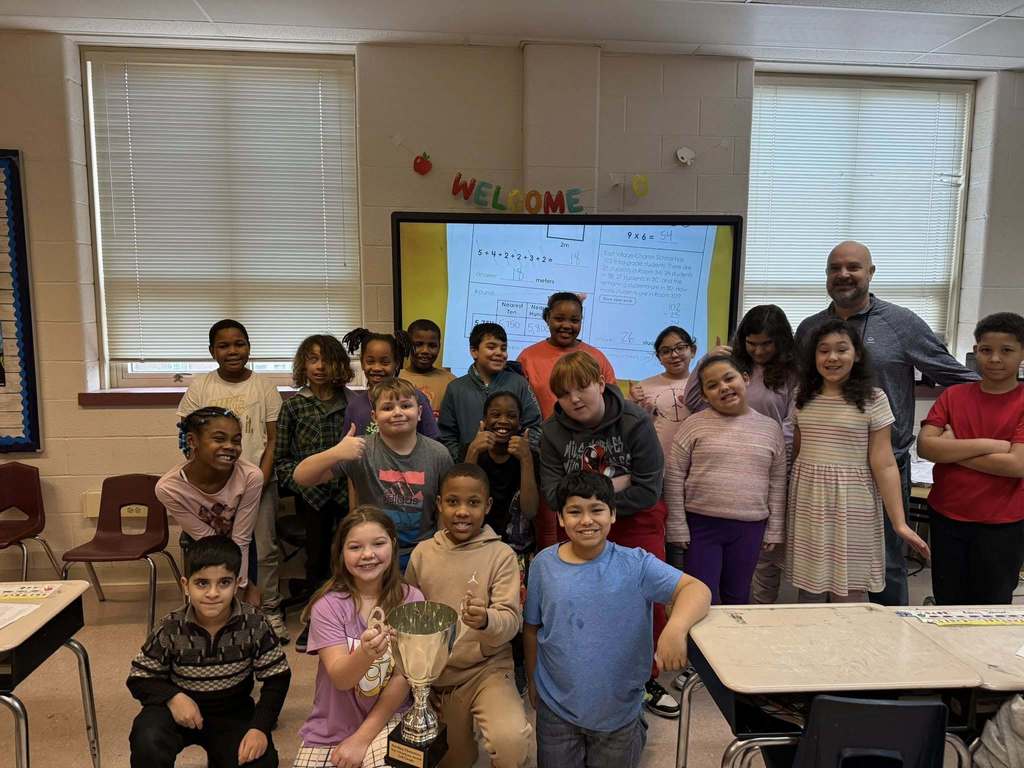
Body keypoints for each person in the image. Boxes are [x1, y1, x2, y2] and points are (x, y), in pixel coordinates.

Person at [795, 241, 978, 606]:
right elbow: (796, 387)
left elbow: (957, 377)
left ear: (871, 272)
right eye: (835, 268)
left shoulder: (901, 323)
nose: (843, 274)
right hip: (820, 472)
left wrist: (965, 423)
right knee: (817, 565)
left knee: (889, 560)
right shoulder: (809, 328)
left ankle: (890, 647)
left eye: (853, 267)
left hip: (883, 465)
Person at [524, 473, 711, 768]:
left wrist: (675, 628)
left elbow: (697, 590)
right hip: (556, 710)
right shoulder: (543, 565)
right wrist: (533, 680)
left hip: (618, 712)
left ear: (612, 514)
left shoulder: (636, 564)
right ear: (560, 518)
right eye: (575, 511)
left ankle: (639, 727)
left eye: (596, 510)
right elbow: (532, 629)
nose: (586, 520)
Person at [538, 351, 678, 718]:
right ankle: (590, 670)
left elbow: (648, 490)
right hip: (580, 523)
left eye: (582, 388)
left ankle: (646, 677)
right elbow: (553, 495)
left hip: (636, 518)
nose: (575, 399)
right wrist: (612, 485)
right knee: (585, 599)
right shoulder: (553, 432)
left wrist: (590, 498)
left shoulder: (634, 421)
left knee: (644, 600)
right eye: (564, 394)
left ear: (601, 384)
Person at [786, 319, 930, 602]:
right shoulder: (802, 397)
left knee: (850, 590)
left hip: (854, 503)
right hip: (809, 500)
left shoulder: (873, 398)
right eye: (823, 351)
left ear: (858, 354)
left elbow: (885, 463)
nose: (832, 358)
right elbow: (798, 453)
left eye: (842, 349)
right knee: (809, 588)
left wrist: (900, 524)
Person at [404, 463, 532, 768]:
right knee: (455, 760)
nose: (462, 511)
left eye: (473, 503)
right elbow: (408, 620)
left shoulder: (501, 555)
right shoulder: (422, 554)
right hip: (439, 678)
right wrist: (417, 682)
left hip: (487, 669)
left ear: (487, 506)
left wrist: (486, 619)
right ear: (439, 504)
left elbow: (511, 622)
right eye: (453, 502)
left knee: (510, 742)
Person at [128, 535, 290, 768]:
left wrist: (259, 728)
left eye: (224, 582)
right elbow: (139, 677)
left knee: (260, 763)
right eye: (202, 583)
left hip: (233, 711)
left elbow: (278, 677)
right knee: (148, 738)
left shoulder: (255, 623)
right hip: (177, 710)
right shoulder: (170, 626)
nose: (213, 593)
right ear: (186, 585)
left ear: (238, 583)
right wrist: (173, 697)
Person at [177, 319, 287, 641]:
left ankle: (269, 611)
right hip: (212, 488)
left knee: (264, 549)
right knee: (214, 547)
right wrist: (205, 482)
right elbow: (188, 439)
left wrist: (261, 481)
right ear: (212, 351)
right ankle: (218, 611)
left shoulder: (264, 386)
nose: (233, 351)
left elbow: (272, 440)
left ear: (249, 348)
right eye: (223, 345)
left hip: (258, 483)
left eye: (239, 344)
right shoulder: (200, 387)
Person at [682, 305, 799, 603]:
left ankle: (757, 615)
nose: (758, 351)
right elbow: (693, 399)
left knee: (762, 561)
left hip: (766, 464)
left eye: (766, 344)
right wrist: (709, 358)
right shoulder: (730, 366)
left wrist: (763, 447)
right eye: (751, 343)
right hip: (723, 467)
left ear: (781, 341)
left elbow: (790, 423)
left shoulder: (791, 374)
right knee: (708, 574)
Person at [293, 507, 425, 768]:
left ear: (393, 545)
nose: (368, 555)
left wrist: (361, 739)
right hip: (332, 725)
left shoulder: (412, 600)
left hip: (389, 717)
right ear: (341, 553)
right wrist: (366, 654)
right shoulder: (327, 606)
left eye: (378, 543)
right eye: (355, 547)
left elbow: (403, 677)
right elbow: (342, 679)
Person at [917, 312, 1024, 605]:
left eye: (1006, 351)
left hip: (1002, 524)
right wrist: (994, 446)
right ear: (975, 351)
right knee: (948, 600)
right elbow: (926, 448)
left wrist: (952, 451)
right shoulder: (954, 396)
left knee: (992, 604)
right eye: (986, 350)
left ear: (1022, 354)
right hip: (948, 516)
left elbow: (1017, 465)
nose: (995, 359)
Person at [664, 354, 787, 606]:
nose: (723, 387)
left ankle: (733, 646)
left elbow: (777, 481)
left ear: (745, 379)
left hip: (750, 528)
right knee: (700, 596)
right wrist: (677, 523)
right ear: (705, 395)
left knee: (737, 595)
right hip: (701, 526)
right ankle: (697, 647)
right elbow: (674, 475)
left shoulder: (770, 428)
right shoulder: (693, 425)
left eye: (729, 378)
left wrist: (775, 527)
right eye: (712, 385)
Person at [295, 378, 453, 569]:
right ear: (374, 416)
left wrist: (442, 552)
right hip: (371, 554)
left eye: (405, 405)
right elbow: (301, 477)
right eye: (387, 408)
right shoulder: (361, 449)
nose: (397, 413)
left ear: (419, 412)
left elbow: (444, 509)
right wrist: (335, 452)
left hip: (422, 553)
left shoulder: (439, 454)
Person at [275, 334, 356, 652]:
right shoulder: (294, 406)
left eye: (328, 359)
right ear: (302, 365)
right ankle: (315, 622)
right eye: (312, 359)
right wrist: (303, 484)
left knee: (348, 559)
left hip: (346, 493)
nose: (320, 366)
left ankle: (347, 619)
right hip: (311, 499)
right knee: (317, 560)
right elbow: (282, 462)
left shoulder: (352, 403)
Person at [157, 407, 263, 605]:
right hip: (201, 541)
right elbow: (205, 536)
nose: (230, 446)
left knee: (247, 606)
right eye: (219, 439)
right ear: (192, 441)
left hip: (241, 541)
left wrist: (240, 587)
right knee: (206, 603)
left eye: (236, 440)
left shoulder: (251, 476)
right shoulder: (168, 488)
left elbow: (241, 538)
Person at [438, 321, 542, 461]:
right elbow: (447, 435)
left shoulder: (519, 384)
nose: (499, 353)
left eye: (503, 348)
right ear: (474, 351)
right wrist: (463, 459)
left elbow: (534, 425)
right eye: (491, 347)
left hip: (511, 471)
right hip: (470, 470)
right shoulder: (456, 388)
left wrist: (521, 453)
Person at [518, 292, 617, 419]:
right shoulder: (527, 358)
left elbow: (612, 402)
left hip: (589, 436)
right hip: (542, 436)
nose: (566, 325)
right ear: (548, 318)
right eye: (559, 319)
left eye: (574, 320)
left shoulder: (596, 357)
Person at [340, 328, 440, 439]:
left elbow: (433, 442)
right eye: (370, 361)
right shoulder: (355, 406)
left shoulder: (415, 398)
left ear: (397, 363)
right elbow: (347, 447)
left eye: (385, 362)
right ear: (362, 363)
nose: (377, 368)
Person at [629, 325, 696, 460]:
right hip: (656, 461)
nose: (674, 354)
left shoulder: (701, 384)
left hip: (695, 461)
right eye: (665, 351)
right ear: (659, 357)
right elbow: (630, 426)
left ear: (693, 350)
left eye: (680, 347)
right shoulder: (644, 387)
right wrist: (632, 402)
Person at [400, 318, 455, 419]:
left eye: (432, 346)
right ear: (407, 346)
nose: (425, 350)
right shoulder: (397, 378)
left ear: (439, 346)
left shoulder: (451, 381)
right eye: (418, 344)